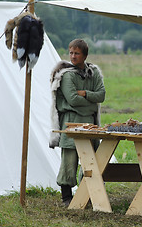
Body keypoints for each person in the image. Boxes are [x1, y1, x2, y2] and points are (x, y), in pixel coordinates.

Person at [49, 39, 106, 206]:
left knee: (89, 159)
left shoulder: (93, 72)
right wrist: (89, 104)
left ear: (85, 55)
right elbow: (72, 100)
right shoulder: (66, 75)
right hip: (71, 122)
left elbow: (101, 95)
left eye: (77, 53)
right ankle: (66, 197)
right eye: (71, 53)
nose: (73, 56)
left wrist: (85, 93)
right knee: (69, 159)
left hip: (89, 123)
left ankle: (86, 194)